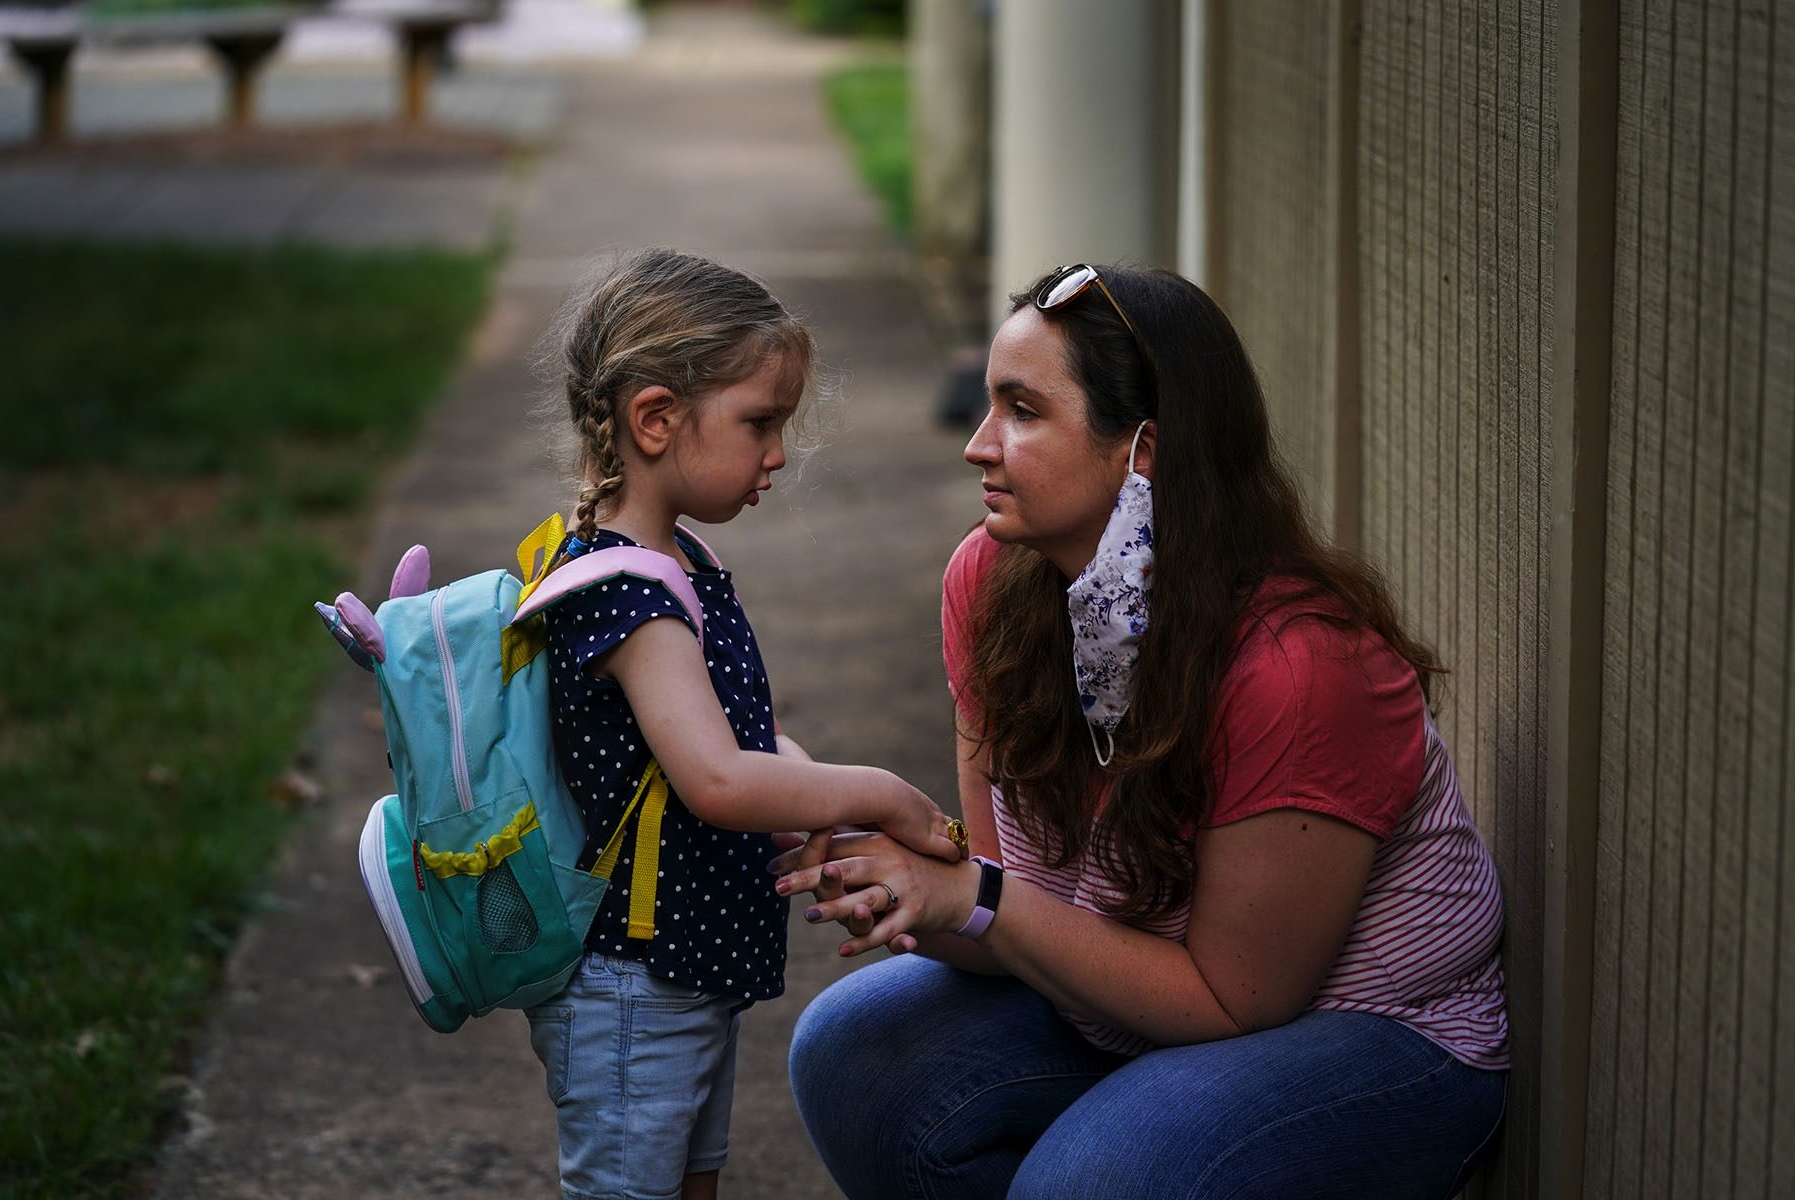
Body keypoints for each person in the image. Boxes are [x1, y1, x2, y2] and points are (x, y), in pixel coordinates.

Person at [776, 264, 1510, 1198]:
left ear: (1144, 450)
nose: (977, 445)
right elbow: (1002, 904)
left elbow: (1234, 1000)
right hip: (1129, 1001)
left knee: (1093, 1180)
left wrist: (976, 898)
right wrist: (877, 854)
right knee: (854, 1055)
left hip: (1371, 1033)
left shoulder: (1301, 666)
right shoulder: (992, 582)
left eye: (1023, 410)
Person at [526, 248, 964, 1200]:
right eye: (760, 423)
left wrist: (814, 806)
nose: (777, 454)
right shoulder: (630, 599)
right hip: (633, 985)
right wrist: (881, 793)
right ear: (655, 419)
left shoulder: (672, 561)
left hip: (679, 971)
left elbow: (743, 748)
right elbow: (718, 782)